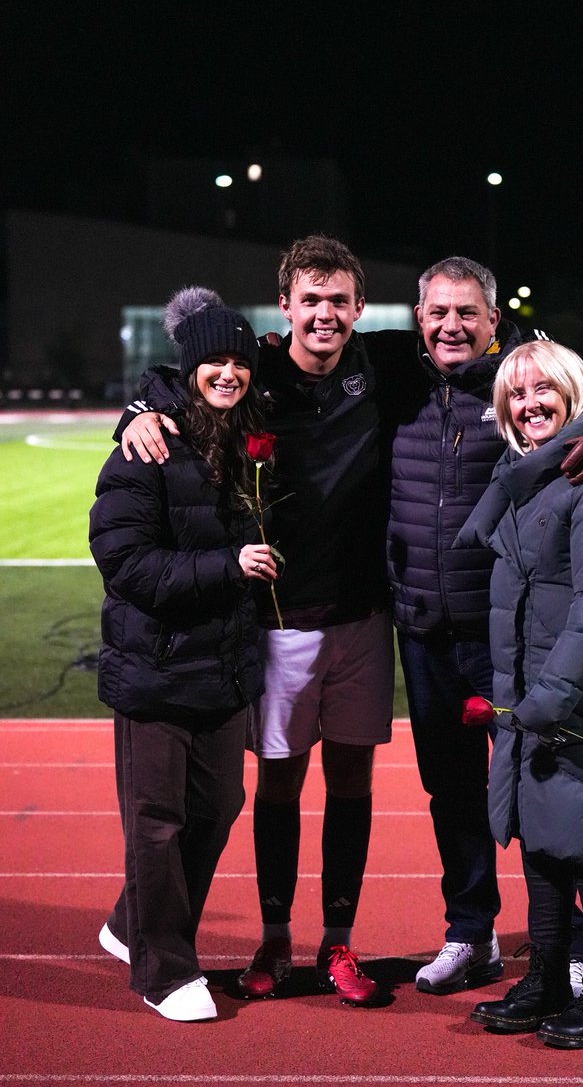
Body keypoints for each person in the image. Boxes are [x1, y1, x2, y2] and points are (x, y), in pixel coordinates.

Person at [114, 236, 394, 1007]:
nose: (326, 314)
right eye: (312, 300)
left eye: (339, 300)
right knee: (274, 786)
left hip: (365, 619)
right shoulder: (257, 368)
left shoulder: (387, 364)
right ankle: (274, 938)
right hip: (278, 624)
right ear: (287, 308)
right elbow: (185, 378)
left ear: (359, 308)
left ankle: (338, 942)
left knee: (351, 783)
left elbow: (477, 354)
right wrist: (139, 409)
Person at [380, 256, 583, 996]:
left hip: (512, 637)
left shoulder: (520, 388)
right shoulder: (392, 377)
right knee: (454, 792)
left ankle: (569, 949)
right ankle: (472, 933)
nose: (451, 325)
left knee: (551, 783)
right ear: (418, 316)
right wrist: (143, 405)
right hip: (426, 627)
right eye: (437, 311)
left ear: (493, 321)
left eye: (467, 312)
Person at [91, 288, 278, 1022]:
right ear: (191, 364)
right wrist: (228, 567)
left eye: (239, 360)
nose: (228, 373)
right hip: (156, 666)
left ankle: (128, 923)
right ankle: (164, 970)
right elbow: (125, 562)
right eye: (214, 361)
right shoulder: (147, 446)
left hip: (223, 666)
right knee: (156, 819)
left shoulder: (245, 435)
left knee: (219, 805)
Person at [457, 339, 583, 1048]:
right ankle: (544, 977)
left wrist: (552, 698)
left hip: (582, 699)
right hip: (533, 693)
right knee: (541, 839)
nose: (529, 404)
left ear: (573, 390)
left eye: (543, 390)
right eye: (516, 394)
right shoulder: (528, 472)